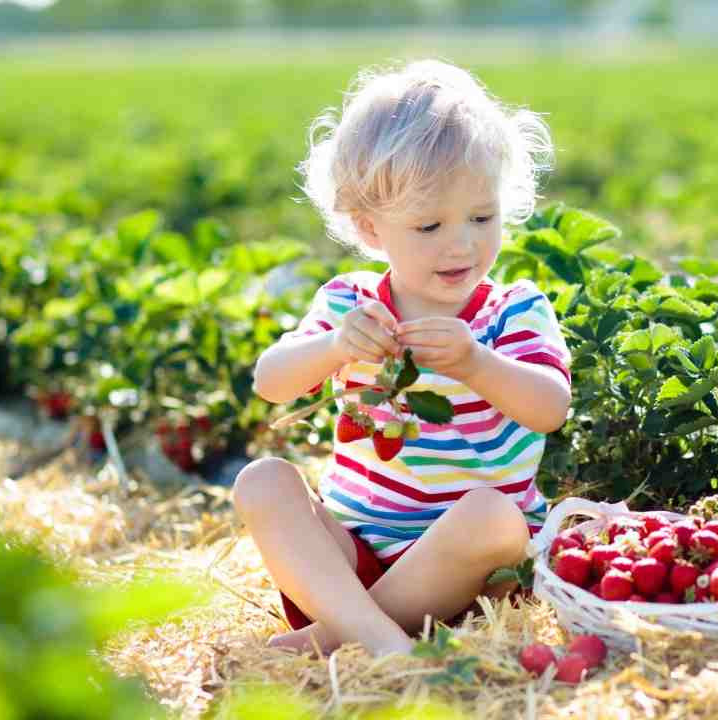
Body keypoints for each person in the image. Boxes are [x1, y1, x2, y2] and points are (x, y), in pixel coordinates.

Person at [233, 59, 572, 659]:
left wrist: (476, 365)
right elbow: (271, 382)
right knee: (262, 482)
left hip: (470, 575)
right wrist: (336, 346)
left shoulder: (513, 312)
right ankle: (379, 639)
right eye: (429, 225)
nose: (461, 242)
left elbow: (549, 408)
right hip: (349, 564)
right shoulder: (350, 304)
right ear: (369, 228)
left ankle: (344, 641)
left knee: (495, 517)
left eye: (481, 217)